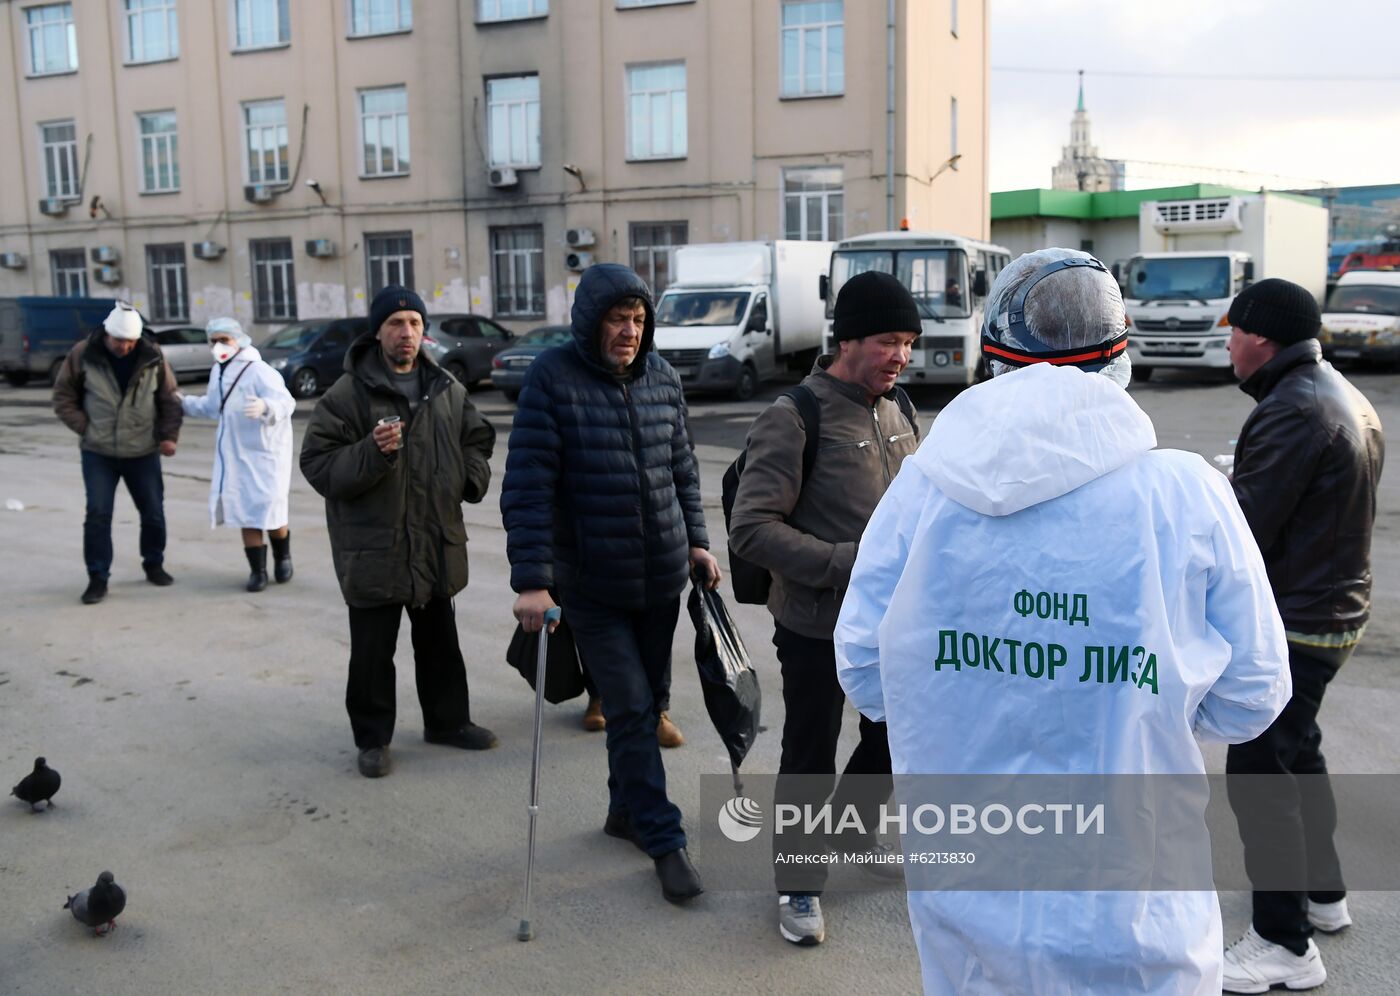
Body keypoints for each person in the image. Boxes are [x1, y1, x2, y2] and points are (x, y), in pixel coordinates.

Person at [834, 248, 1292, 994]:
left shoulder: (923, 490)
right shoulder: (1184, 495)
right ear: (1120, 352)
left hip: (969, 914)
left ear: (994, 357)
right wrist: (1132, 704)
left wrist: (972, 695)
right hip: (1139, 915)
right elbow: (1252, 696)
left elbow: (866, 672)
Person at [501, 262, 719, 906]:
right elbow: (529, 485)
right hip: (591, 583)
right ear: (591, 321)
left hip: (659, 580)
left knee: (647, 703)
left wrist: (700, 541)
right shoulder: (552, 379)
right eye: (618, 319)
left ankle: (624, 810)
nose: (629, 331)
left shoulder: (662, 378)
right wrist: (533, 581)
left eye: (638, 319)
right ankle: (664, 838)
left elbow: (682, 467)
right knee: (627, 708)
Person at [728, 269, 921, 947]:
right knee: (810, 750)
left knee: (893, 739)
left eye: (908, 341)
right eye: (888, 341)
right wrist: (853, 566)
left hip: (895, 625)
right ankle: (800, 885)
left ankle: (855, 831)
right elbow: (751, 528)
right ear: (848, 340)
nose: (901, 355)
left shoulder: (901, 409)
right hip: (815, 623)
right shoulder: (795, 414)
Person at [1222, 277, 1384, 993]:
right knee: (1299, 754)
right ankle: (1322, 894)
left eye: (1233, 330)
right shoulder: (1336, 391)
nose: (1226, 343)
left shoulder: (1292, 409)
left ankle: (1282, 943)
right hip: (1334, 613)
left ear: (1261, 337)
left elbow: (1245, 530)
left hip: (1294, 621)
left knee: (1260, 776)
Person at [300, 285, 497, 779]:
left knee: (440, 644)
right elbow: (318, 464)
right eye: (395, 323)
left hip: (432, 540)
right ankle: (372, 739)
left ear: (423, 331)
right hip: (375, 547)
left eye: (413, 323)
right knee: (372, 654)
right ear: (377, 331)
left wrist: (469, 478)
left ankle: (448, 723)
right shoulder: (346, 395)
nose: (405, 332)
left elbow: (478, 439)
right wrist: (374, 452)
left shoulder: (446, 387)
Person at [52, 301, 182, 605]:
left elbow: (170, 399)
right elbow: (63, 397)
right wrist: (86, 428)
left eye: (130, 341)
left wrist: (168, 436)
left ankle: (154, 563)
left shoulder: (152, 356)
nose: (124, 346)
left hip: (143, 450)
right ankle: (97, 577)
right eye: (119, 340)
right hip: (99, 452)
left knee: (152, 512)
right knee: (98, 514)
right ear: (108, 334)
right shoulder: (83, 354)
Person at [178, 317, 297, 591]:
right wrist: (183, 403)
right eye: (214, 341)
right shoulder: (218, 372)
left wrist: (266, 406)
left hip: (265, 455)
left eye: (224, 340)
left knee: (271, 511)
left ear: (238, 339)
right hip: (235, 456)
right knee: (244, 511)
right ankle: (258, 571)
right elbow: (212, 406)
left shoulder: (260, 371)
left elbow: (287, 402)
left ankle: (283, 557)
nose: (219, 346)